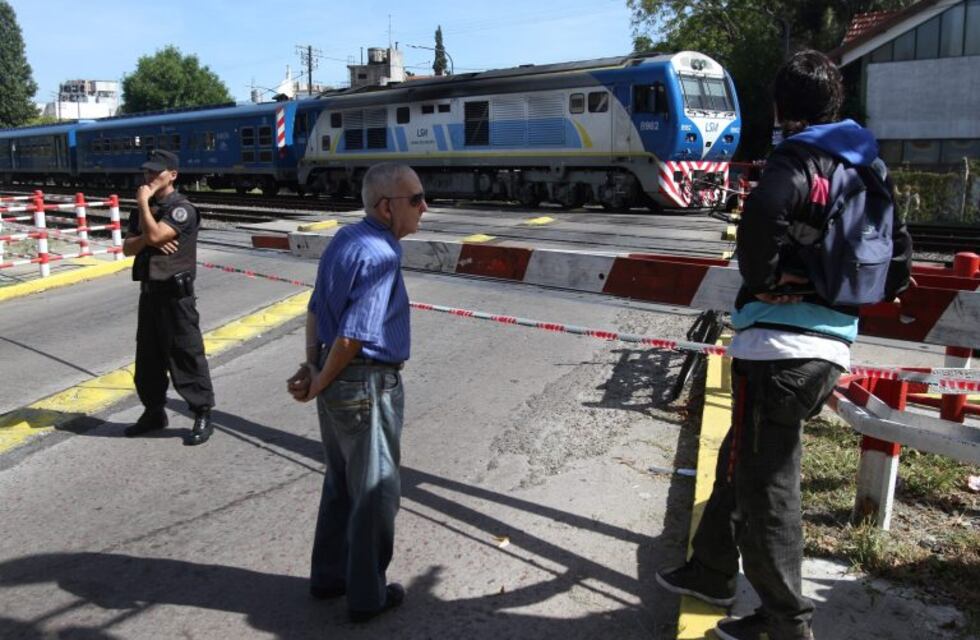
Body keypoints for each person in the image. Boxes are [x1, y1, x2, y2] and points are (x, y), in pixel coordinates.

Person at [655, 50, 912, 640]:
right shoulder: (869, 165)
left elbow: (757, 239)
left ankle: (784, 621)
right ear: (835, 103)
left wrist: (774, 281)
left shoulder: (794, 161)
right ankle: (712, 571)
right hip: (828, 347)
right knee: (741, 461)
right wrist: (838, 290)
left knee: (768, 486)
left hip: (779, 350)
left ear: (778, 105)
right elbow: (898, 261)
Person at [287, 162, 426, 623]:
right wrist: (319, 379)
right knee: (375, 493)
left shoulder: (346, 239)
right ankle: (367, 596)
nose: (425, 207)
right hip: (367, 382)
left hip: (337, 379)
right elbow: (353, 336)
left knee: (340, 483)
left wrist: (313, 368)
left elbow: (314, 309)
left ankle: (329, 578)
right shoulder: (382, 254)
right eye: (416, 199)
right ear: (387, 207)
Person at [122, 149, 215, 446]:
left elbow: (157, 237)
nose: (149, 178)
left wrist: (144, 211)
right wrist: (147, 237)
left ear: (172, 175)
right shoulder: (145, 209)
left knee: (186, 354)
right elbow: (128, 247)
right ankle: (154, 412)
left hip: (176, 297)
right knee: (148, 357)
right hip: (150, 293)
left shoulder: (181, 209)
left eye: (156, 173)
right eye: (147, 172)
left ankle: (202, 412)